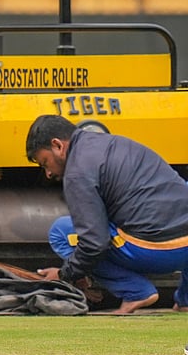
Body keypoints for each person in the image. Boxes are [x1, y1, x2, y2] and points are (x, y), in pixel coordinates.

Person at [26, 115, 188, 314]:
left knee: (61, 231)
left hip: (156, 251)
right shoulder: (117, 143)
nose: (48, 173)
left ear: (57, 145)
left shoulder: (77, 172)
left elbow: (94, 243)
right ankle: (185, 300)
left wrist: (64, 274)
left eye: (44, 163)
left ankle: (136, 292)